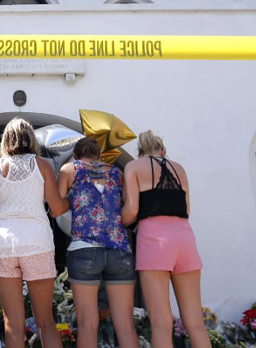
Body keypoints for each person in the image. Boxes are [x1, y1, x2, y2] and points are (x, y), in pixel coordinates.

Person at [0, 118, 69, 348]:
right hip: (36, 244)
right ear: (31, 139)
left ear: (6, 140)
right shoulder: (43, 165)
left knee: (12, 323)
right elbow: (56, 208)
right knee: (45, 322)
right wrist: (70, 199)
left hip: (2, 244)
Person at [122, 131, 210, 348]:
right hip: (185, 236)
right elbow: (186, 209)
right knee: (196, 322)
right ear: (163, 150)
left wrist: (119, 221)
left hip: (154, 239)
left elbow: (132, 210)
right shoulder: (179, 168)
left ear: (139, 152)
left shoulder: (133, 167)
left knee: (161, 322)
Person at [57, 137, 138, 348]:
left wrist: (74, 199)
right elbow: (125, 208)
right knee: (126, 325)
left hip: (84, 248)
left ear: (76, 155)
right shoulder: (116, 173)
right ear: (99, 155)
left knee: (87, 324)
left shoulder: (69, 170)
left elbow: (57, 206)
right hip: (119, 249)